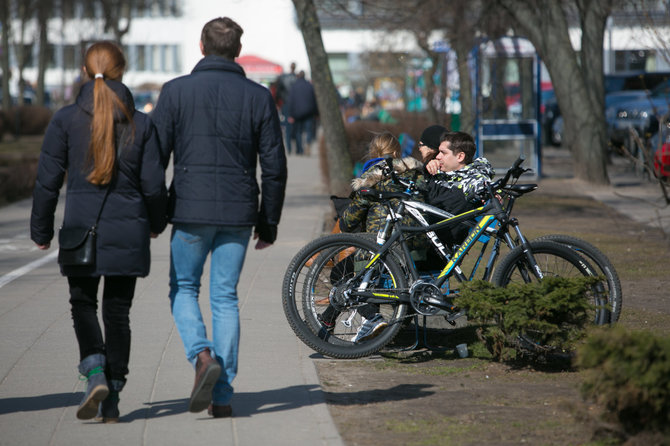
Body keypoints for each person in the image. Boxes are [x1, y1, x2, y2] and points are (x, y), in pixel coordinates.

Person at [151, 17, 287, 419]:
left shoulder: (175, 92)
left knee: (184, 289)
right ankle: (223, 394)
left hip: (190, 210)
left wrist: (155, 214)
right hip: (239, 211)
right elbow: (274, 166)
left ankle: (201, 355)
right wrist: (269, 222)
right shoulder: (258, 97)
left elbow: (153, 159)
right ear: (238, 51)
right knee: (225, 297)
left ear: (201, 46)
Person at [30, 41, 168, 422]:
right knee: (118, 312)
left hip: (80, 232)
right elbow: (154, 186)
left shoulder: (65, 120)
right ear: (121, 71)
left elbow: (47, 182)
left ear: (84, 72)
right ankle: (114, 396)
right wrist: (156, 225)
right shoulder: (143, 123)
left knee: (82, 304)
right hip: (129, 232)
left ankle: (94, 371)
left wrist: (41, 230)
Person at [320, 132, 425, 342]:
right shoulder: (417, 175)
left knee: (341, 273)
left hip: (380, 249)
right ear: (397, 152)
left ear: (372, 153)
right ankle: (327, 322)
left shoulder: (371, 179)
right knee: (358, 269)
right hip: (415, 248)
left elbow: (348, 222)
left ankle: (372, 318)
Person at [424, 131, 495, 248]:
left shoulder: (471, 180)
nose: (437, 156)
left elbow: (481, 186)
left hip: (436, 248)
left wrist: (491, 193)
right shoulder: (440, 175)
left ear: (460, 156)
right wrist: (428, 168)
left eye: (443, 152)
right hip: (423, 238)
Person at [285, 70, 318, 155]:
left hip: (297, 112)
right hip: (309, 111)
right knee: (308, 130)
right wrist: (316, 112)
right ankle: (307, 143)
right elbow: (314, 100)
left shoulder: (294, 87)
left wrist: (290, 114)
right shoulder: (310, 86)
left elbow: (290, 101)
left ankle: (300, 149)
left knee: (298, 131)